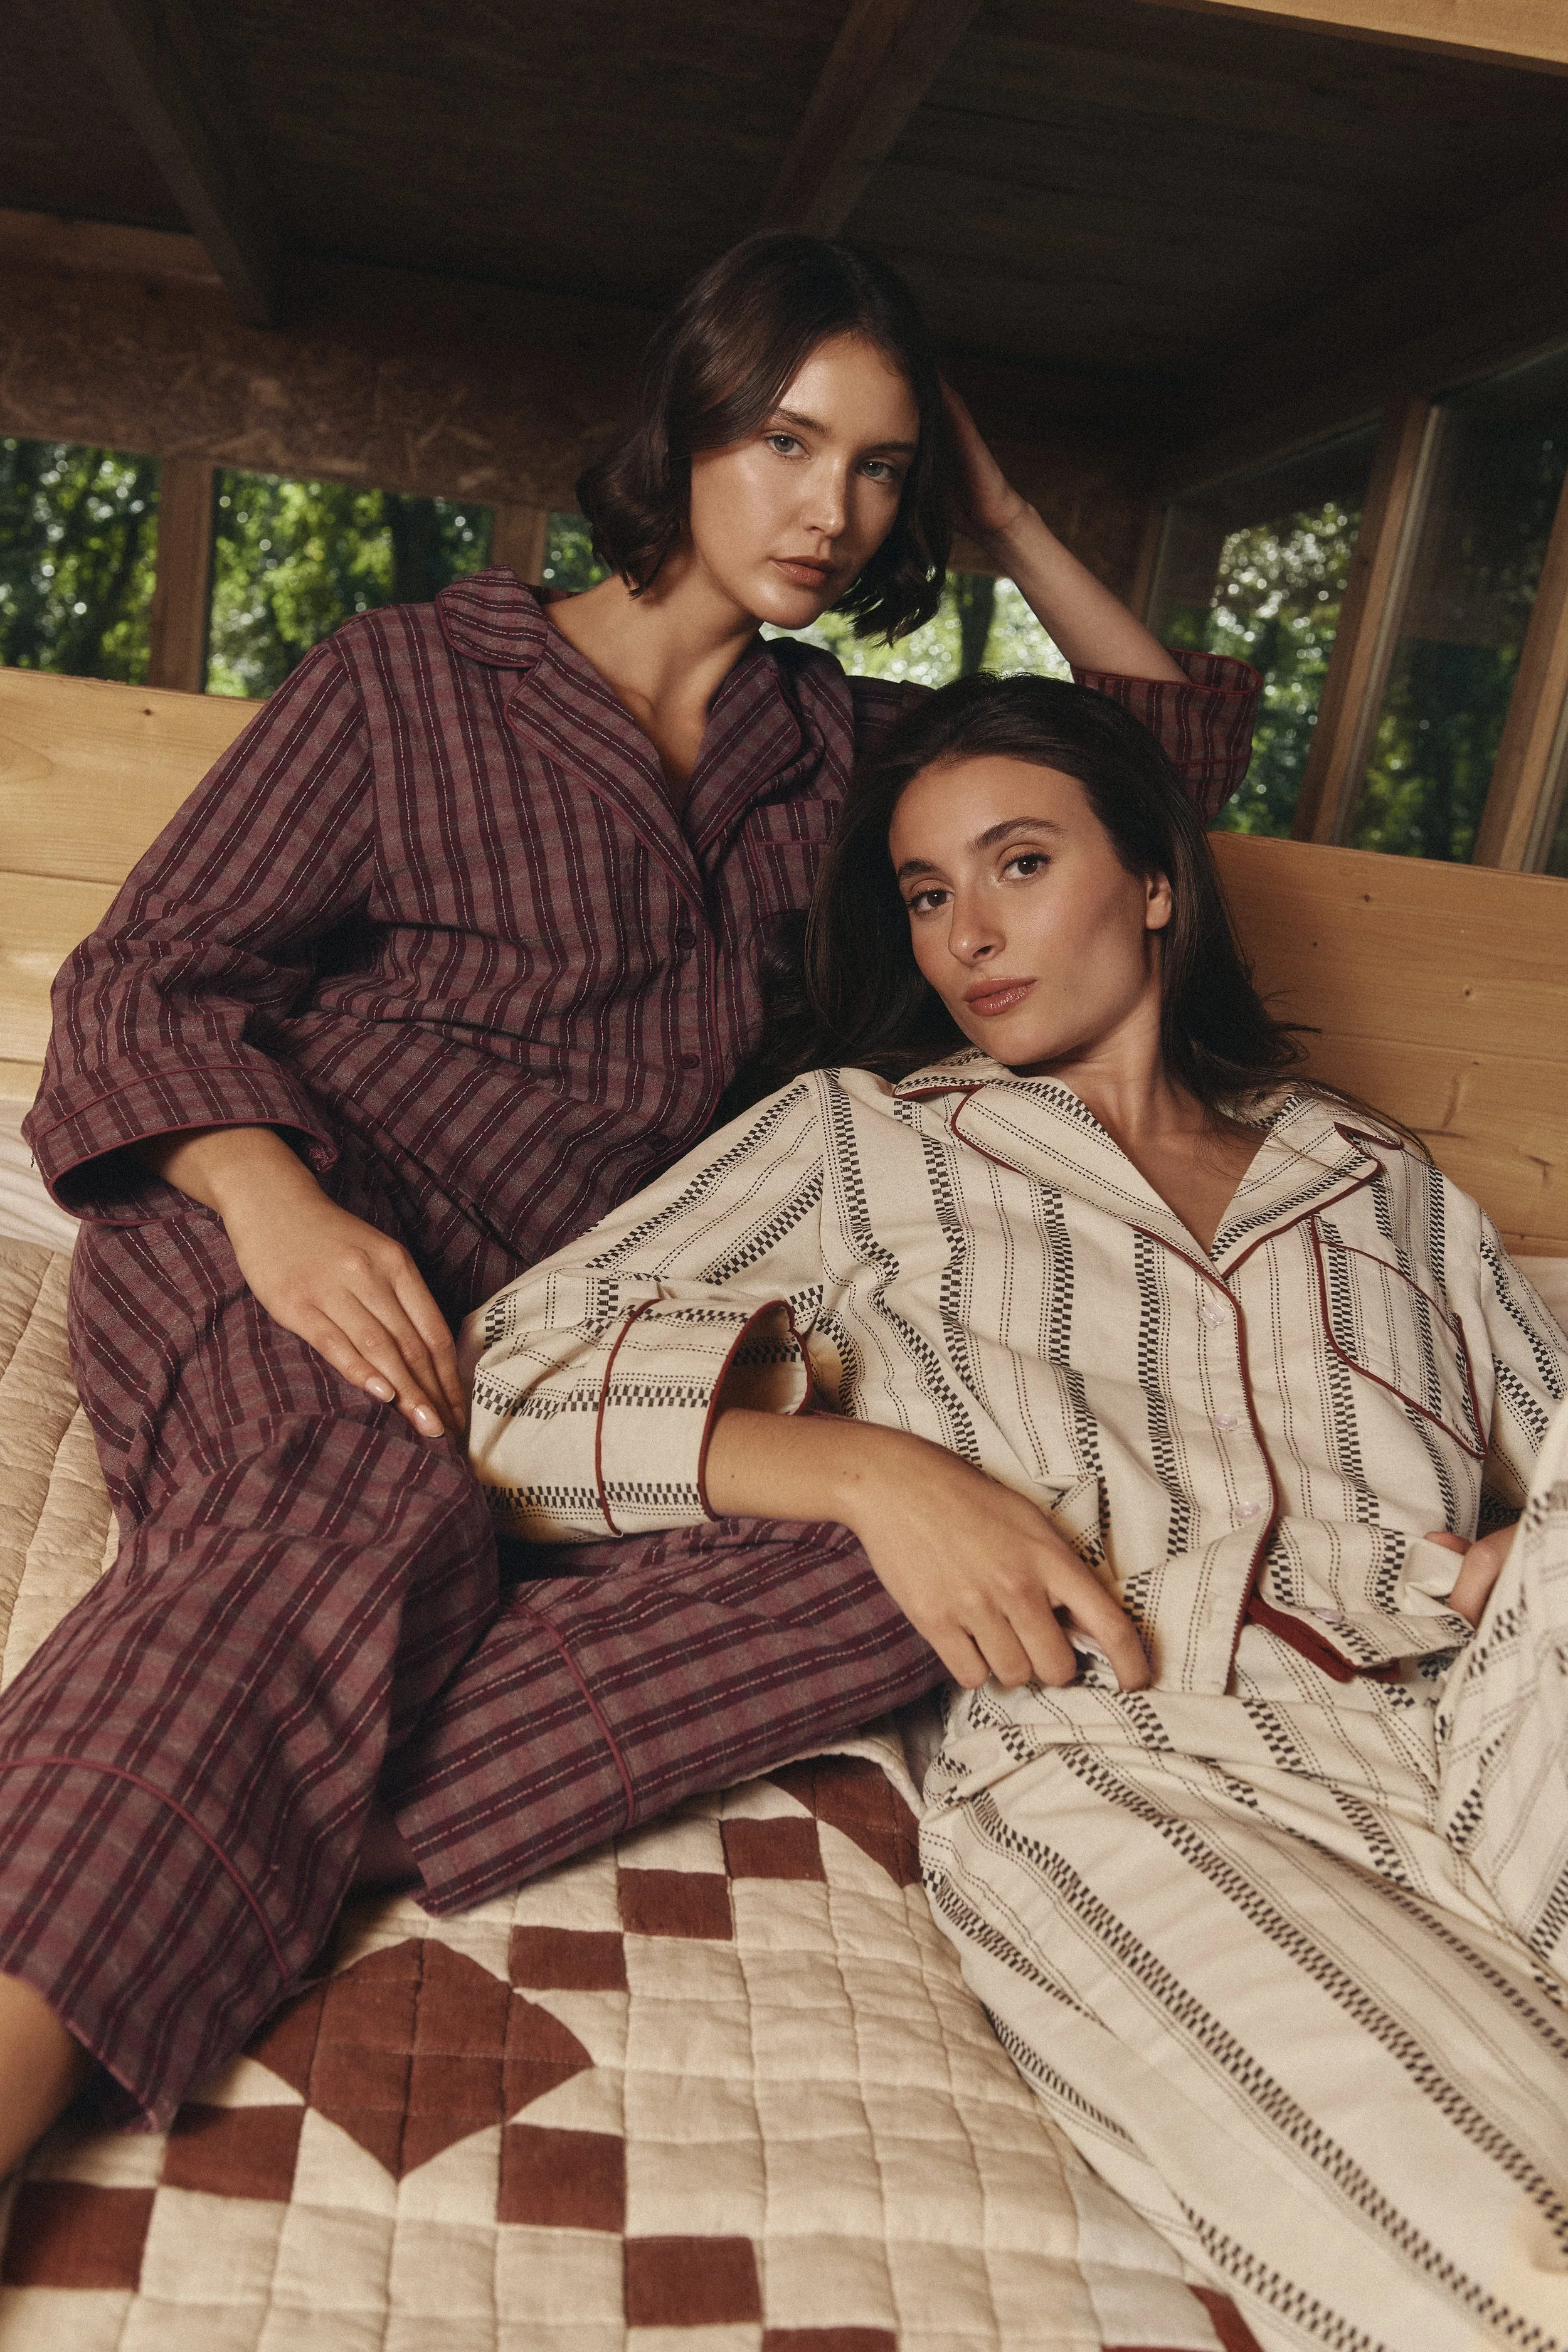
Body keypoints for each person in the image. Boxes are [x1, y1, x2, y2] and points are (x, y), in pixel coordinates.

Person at [0, 233, 1257, 2168]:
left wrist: (1004, 509)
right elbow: (144, 981)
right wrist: (279, 1212)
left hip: (565, 1333)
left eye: (879, 466)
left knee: (938, 1553)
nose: (829, 509)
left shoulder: (835, 754)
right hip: (290, 1245)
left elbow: (1158, 763)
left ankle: (264, 1773)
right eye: (784, 440)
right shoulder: (411, 676)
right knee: (361, 1488)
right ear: (682, 426)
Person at [460, 673, 1568, 2352]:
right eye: (924, 893)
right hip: (1133, 1753)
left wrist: (1513, 1553)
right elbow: (498, 1383)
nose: (967, 930)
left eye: (1018, 862)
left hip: (1473, 1704)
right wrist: (871, 1474)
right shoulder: (857, 1138)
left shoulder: (1372, 1175)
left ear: (1152, 882)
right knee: (1518, 2240)